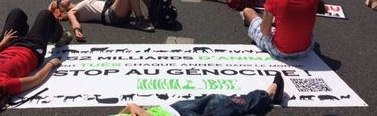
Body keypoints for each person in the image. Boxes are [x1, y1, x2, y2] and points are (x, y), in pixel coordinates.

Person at [115, 72, 284, 116]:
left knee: (221, 102)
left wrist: (133, 106)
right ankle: (268, 95)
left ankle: (255, 104)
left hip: (172, 109)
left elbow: (126, 109)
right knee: (223, 103)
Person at [48, 0, 155, 41]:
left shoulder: (78, 4)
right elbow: (74, 22)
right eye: (59, 1)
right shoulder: (72, 11)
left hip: (114, 8)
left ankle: (152, 11)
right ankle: (140, 20)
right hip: (111, 15)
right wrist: (77, 31)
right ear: (60, 8)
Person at [243, 0, 318, 58]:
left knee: (248, 11)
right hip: (306, 49)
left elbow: (265, 31)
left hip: (281, 50)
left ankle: (249, 24)